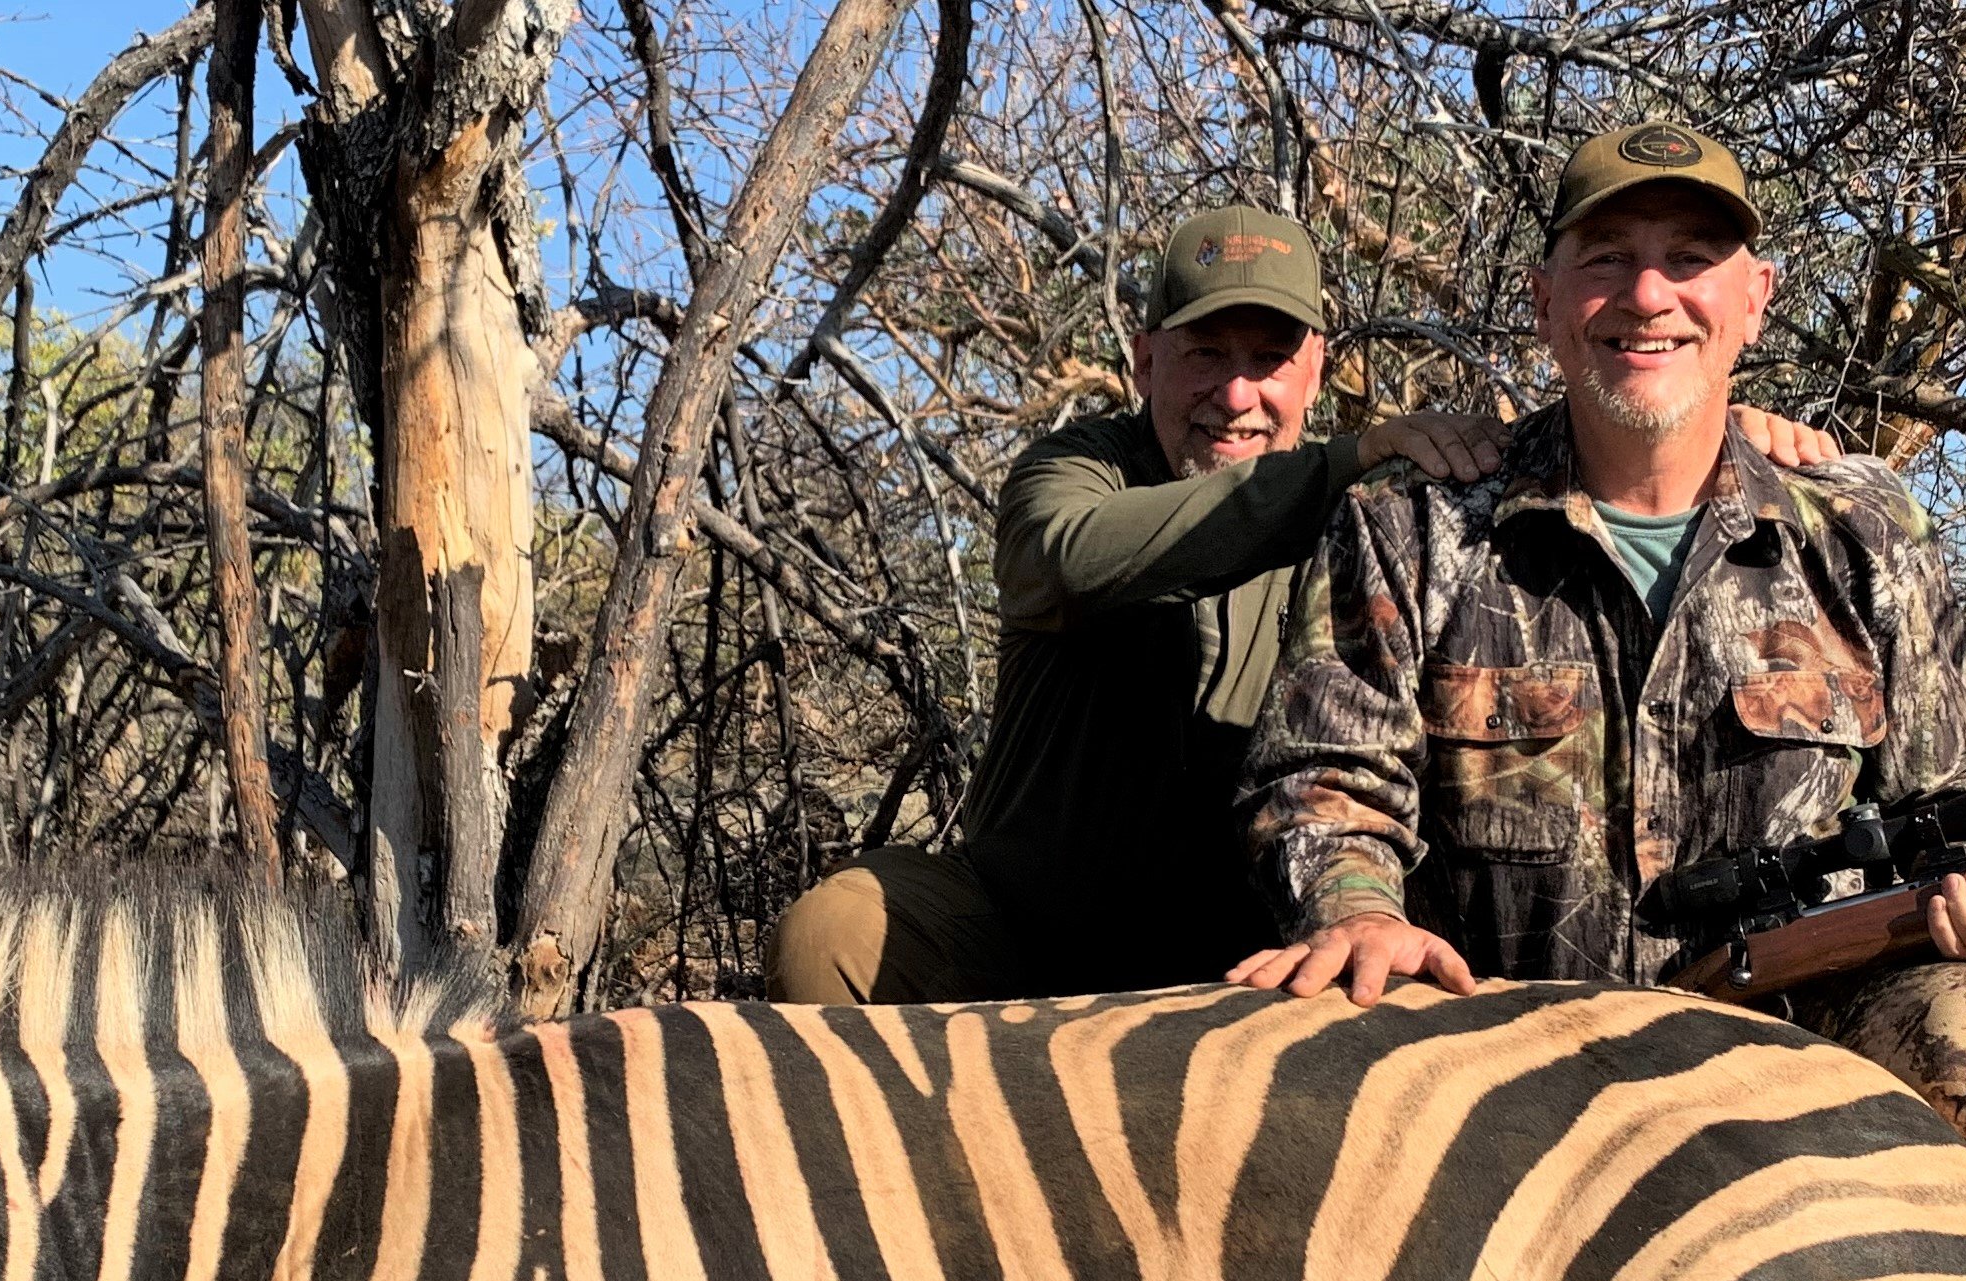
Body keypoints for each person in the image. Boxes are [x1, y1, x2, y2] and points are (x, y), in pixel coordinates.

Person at [1229, 124, 1966, 1281]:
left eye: (1689, 258)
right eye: (1605, 259)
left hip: (1791, 1057)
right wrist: (1359, 910)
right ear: (1543, 299)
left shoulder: (1858, 529)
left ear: (1751, 300)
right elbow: (1323, 783)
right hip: (1501, 1060)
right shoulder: (1411, 523)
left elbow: (1955, 806)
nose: (1647, 297)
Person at [766, 203, 1836, 1007]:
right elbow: (1073, 559)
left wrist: (1724, 441)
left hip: (1247, 954)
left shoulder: (1381, 513)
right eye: (1202, 355)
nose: (1236, 394)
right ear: (1143, 361)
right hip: (1025, 938)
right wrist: (1335, 463)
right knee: (836, 933)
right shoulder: (1077, 472)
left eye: (1267, 358)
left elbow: (1594, 449)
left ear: (1314, 365)